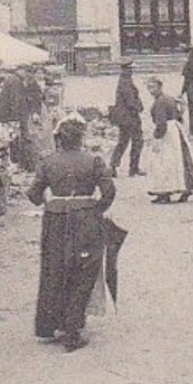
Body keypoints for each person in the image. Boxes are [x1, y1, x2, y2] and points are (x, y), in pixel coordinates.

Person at [25, 114, 117, 353]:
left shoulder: (48, 162)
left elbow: (34, 195)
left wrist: (52, 201)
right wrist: (94, 210)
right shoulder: (94, 160)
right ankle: (73, 329)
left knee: (54, 270)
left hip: (56, 221)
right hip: (86, 221)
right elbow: (109, 192)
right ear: (81, 138)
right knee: (84, 271)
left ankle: (50, 324)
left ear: (59, 140)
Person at [145, 77, 193, 204]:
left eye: (154, 87)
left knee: (164, 162)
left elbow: (161, 122)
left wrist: (157, 137)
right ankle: (185, 188)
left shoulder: (160, 102)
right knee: (179, 159)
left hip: (167, 133)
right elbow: (179, 114)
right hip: (175, 130)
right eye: (149, 88)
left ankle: (164, 193)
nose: (151, 90)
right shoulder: (169, 98)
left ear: (160, 87)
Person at [108, 58, 145, 177]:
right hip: (130, 117)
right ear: (127, 69)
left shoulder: (125, 80)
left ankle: (114, 165)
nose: (132, 70)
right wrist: (139, 107)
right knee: (137, 141)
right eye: (131, 69)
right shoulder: (125, 82)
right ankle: (133, 168)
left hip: (124, 117)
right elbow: (130, 101)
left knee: (123, 141)